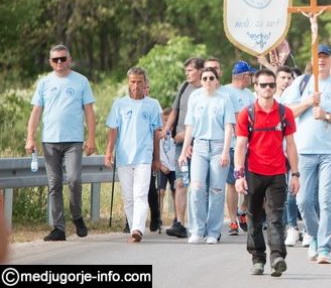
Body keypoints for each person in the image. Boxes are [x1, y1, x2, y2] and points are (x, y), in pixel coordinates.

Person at [283, 44, 331, 264]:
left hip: (329, 152)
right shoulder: (302, 83)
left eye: (325, 56)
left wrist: (326, 115)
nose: (321, 60)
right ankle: (313, 235)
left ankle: (324, 248)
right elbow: (287, 113)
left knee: (325, 201)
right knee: (304, 200)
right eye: (318, 56)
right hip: (304, 151)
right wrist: (307, 102)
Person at [26, 44, 96, 241]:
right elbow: (36, 112)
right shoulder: (44, 82)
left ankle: (77, 216)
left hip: (74, 141)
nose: (59, 63)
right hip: (50, 140)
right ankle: (59, 228)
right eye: (55, 59)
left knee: (74, 179)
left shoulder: (81, 81)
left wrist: (91, 138)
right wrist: (30, 137)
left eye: (62, 59)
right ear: (50, 62)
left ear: (69, 59)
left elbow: (89, 112)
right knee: (54, 184)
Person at [234, 69, 300, 277]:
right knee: (253, 218)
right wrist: (239, 175)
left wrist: (296, 174)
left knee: (275, 218)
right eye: (263, 85)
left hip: (277, 173)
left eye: (271, 84)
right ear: (256, 87)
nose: (268, 88)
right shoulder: (247, 113)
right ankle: (258, 259)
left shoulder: (284, 113)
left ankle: (277, 258)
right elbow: (241, 145)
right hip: (253, 172)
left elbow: (290, 145)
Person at [104, 67, 162, 243]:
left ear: (145, 83)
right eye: (133, 81)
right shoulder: (119, 104)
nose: (136, 85)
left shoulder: (152, 104)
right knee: (128, 197)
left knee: (140, 194)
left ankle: (137, 229)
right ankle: (133, 227)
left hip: (144, 156)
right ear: (128, 83)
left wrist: (157, 158)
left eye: (139, 81)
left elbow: (156, 134)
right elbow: (113, 130)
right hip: (123, 157)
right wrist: (108, 152)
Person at [178, 67, 235, 244]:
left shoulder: (224, 99)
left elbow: (228, 127)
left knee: (217, 190)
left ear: (217, 80)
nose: (208, 81)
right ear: (201, 80)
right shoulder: (195, 98)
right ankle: (196, 229)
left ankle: (213, 231)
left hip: (219, 147)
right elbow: (190, 126)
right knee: (196, 188)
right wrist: (183, 150)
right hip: (200, 147)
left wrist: (226, 151)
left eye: (211, 78)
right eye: (205, 78)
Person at [163, 57, 204, 239]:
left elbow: (205, 120)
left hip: (199, 143)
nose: (187, 73)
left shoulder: (206, 90)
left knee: (198, 185)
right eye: (186, 71)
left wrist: (189, 135)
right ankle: (179, 222)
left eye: (190, 70)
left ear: (201, 71)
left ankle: (200, 222)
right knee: (180, 182)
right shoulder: (184, 87)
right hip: (180, 143)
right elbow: (175, 111)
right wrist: (165, 130)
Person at [221, 61, 256, 236]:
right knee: (233, 184)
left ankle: (243, 210)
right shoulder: (226, 92)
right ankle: (233, 221)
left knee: (253, 183)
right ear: (243, 76)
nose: (251, 78)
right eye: (250, 75)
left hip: (252, 145)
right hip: (235, 145)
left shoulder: (250, 93)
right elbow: (235, 118)